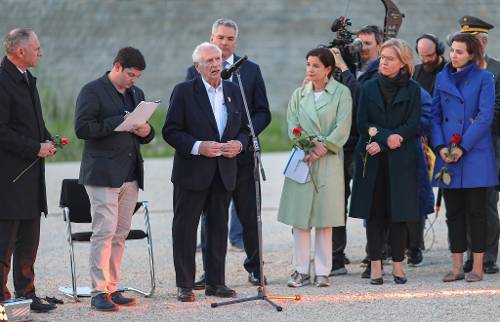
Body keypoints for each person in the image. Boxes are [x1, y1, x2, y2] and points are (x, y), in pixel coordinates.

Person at [186, 18, 271, 288]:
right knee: (211, 217)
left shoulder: (251, 71)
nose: (224, 43)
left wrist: (244, 139)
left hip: (242, 156)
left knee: (248, 215)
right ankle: (211, 272)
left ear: (236, 41)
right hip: (213, 158)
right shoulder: (194, 70)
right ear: (211, 38)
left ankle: (255, 267)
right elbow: (191, 110)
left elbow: (262, 112)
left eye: (229, 39)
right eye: (220, 38)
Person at [163, 42, 249, 302]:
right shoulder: (184, 91)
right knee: (185, 228)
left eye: (219, 59)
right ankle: (185, 285)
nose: (215, 64)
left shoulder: (234, 91)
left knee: (218, 229)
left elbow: (245, 128)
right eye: (209, 60)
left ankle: (216, 282)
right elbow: (171, 131)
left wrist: (240, 144)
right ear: (197, 66)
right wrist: (199, 147)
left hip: (223, 171)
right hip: (192, 172)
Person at [75, 47, 155, 311]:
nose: (134, 80)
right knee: (104, 232)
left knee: (120, 233)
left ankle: (112, 287)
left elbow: (146, 133)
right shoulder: (92, 90)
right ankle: (98, 291)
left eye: (137, 77)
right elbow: (82, 128)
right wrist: (117, 121)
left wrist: (146, 130)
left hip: (130, 173)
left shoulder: (137, 95)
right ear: (117, 67)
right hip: (102, 173)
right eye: (131, 75)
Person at [350, 38, 421, 285]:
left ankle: (399, 265)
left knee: (399, 214)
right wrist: (385, 137)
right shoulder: (368, 87)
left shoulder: (413, 89)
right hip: (374, 157)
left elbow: (414, 123)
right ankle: (376, 264)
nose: (384, 62)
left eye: (390, 59)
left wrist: (397, 136)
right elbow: (362, 123)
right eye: (382, 58)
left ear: (403, 62)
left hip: (401, 157)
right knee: (375, 213)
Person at [278, 47, 352, 287]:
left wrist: (324, 146)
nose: (310, 69)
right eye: (308, 64)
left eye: (316, 65)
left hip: (328, 160)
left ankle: (323, 271)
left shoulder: (342, 93)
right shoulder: (299, 94)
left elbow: (343, 126)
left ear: (328, 69)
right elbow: (293, 125)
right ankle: (300, 270)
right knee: (300, 219)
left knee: (324, 218)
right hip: (303, 159)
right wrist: (307, 145)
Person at [431, 32, 496, 283]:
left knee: (477, 213)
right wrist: (440, 147)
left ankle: (477, 266)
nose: (453, 55)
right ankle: (457, 266)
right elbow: (435, 116)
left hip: (474, 154)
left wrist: (463, 146)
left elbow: (485, 116)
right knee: (454, 213)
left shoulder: (484, 78)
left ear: (471, 55)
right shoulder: (441, 78)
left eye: (459, 51)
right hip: (447, 155)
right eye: (452, 50)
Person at [0, 28, 57, 313]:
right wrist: (35, 147)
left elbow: (33, 122)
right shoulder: (2, 81)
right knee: (4, 245)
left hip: (31, 178)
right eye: (37, 48)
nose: (41, 52)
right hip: (8, 179)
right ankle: (2, 300)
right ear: (19, 51)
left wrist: (47, 139)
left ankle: (27, 294)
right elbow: (1, 131)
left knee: (29, 243)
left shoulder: (26, 79)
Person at [329, 25, 383, 277]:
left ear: (380, 46)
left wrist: (343, 69)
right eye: (358, 43)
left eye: (367, 44)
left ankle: (375, 254)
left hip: (363, 142)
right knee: (335, 201)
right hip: (340, 142)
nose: (361, 49)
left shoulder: (380, 70)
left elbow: (362, 97)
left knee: (368, 200)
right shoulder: (344, 68)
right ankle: (336, 257)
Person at [458, 15, 500, 275]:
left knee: (485, 203)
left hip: (488, 144)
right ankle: (471, 253)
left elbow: (497, 108)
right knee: (464, 203)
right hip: (460, 146)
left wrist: (475, 127)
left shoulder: (497, 70)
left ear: (482, 42)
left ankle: (486, 257)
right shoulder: (456, 70)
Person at [408, 33, 447, 267]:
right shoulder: (417, 72)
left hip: (442, 138)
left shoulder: (448, 71)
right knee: (418, 192)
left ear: (439, 51)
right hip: (422, 139)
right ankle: (415, 244)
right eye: (422, 56)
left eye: (430, 55)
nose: (427, 60)